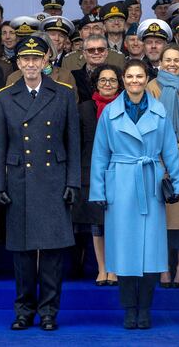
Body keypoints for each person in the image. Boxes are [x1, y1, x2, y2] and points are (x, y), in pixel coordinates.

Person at [0, 36, 81, 332]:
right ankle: (24, 310)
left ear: (46, 62)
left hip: (54, 179)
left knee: (53, 253)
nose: (30, 64)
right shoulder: (4, 97)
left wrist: (73, 182)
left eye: (36, 59)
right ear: (18, 63)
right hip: (20, 181)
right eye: (25, 59)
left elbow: (73, 143)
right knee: (23, 254)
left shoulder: (64, 94)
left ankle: (49, 312)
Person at [90, 59, 179, 329]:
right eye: (130, 76)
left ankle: (145, 309)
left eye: (139, 76)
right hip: (120, 183)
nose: (134, 81)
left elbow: (170, 150)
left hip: (150, 183)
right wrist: (98, 189)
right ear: (123, 79)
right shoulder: (109, 113)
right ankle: (129, 310)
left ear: (146, 79)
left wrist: (177, 184)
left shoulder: (160, 111)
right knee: (124, 251)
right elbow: (100, 154)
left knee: (151, 251)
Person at [146, 45, 179, 290]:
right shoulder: (151, 87)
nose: (172, 64)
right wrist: (166, 151)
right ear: (160, 61)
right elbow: (148, 122)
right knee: (161, 221)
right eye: (167, 59)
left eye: (176, 60)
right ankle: (164, 267)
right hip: (159, 162)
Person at [77, 65, 122, 287]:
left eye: (112, 80)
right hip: (91, 170)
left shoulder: (126, 106)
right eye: (103, 80)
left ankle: (114, 268)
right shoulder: (84, 108)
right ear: (95, 83)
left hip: (119, 170)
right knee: (97, 223)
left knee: (115, 222)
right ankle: (102, 268)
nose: (107, 84)